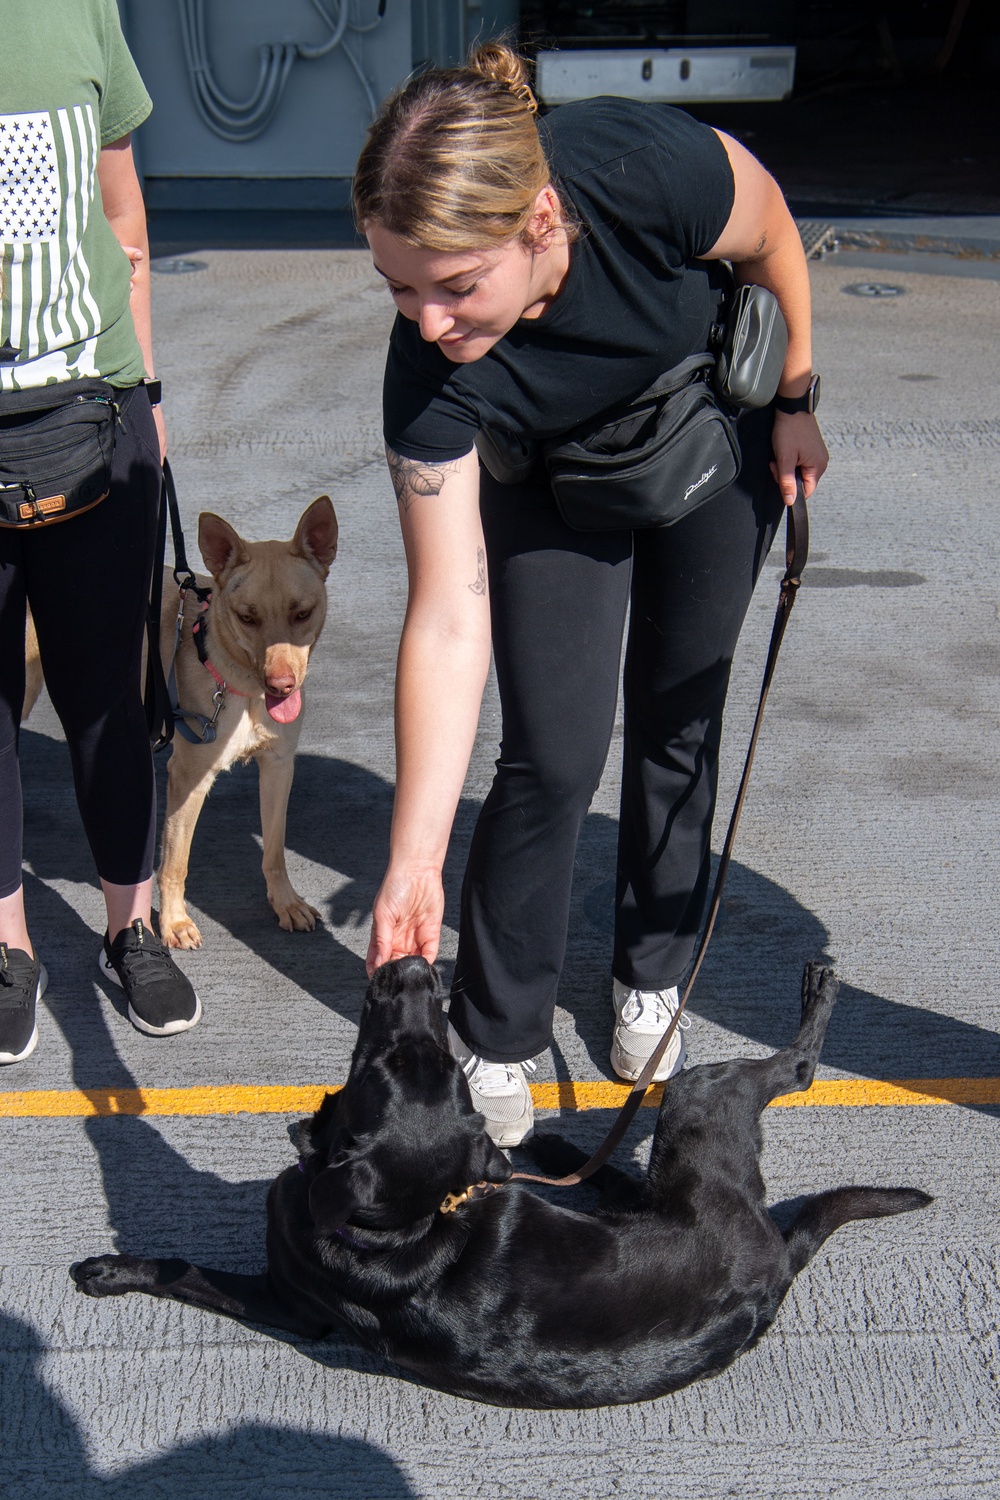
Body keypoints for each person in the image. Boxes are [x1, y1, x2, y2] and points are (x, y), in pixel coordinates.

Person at [355, 44, 828, 1146]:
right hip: (552, 486)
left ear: (540, 221)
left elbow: (768, 232)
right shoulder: (425, 369)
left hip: (707, 438)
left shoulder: (637, 166)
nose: (428, 320)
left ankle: (650, 975)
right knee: (552, 755)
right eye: (398, 286)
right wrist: (410, 861)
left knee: (678, 717)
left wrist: (798, 390)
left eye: (456, 284)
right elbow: (445, 613)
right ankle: (498, 1028)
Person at [0, 0, 200, 1065]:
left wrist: (148, 388)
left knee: (105, 701)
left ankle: (129, 928)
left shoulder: (77, 8)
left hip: (91, 410)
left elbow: (122, 208)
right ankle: (7, 945)